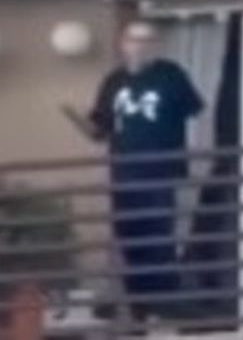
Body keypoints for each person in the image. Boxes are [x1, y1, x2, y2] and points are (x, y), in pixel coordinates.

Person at [69, 21, 205, 322]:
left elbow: (195, 109)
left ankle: (165, 305)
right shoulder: (114, 80)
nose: (140, 45)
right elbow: (99, 129)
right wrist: (78, 120)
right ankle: (139, 307)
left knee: (160, 239)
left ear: (156, 45)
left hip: (161, 172)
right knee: (130, 238)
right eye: (133, 39)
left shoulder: (170, 74)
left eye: (147, 39)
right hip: (124, 173)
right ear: (123, 44)